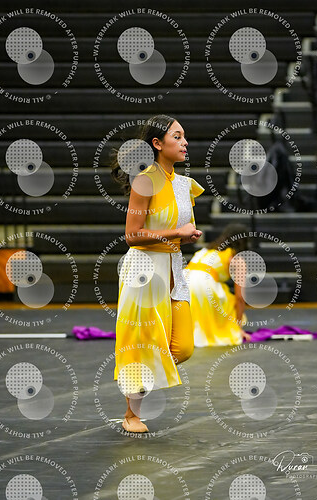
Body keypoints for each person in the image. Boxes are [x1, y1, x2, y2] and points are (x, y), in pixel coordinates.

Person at [111, 114, 204, 433]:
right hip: (145, 270)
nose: (185, 142)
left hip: (173, 267)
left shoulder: (184, 184)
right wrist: (177, 232)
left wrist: (184, 236)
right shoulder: (145, 180)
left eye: (184, 136)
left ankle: (142, 381)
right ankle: (131, 414)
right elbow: (132, 235)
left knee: (183, 347)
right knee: (142, 342)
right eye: (177, 137)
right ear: (157, 143)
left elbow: (177, 229)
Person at [187, 224, 251, 346]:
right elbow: (240, 297)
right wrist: (237, 328)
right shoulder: (235, 258)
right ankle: (221, 331)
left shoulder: (204, 251)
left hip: (184, 283)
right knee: (230, 300)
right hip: (203, 285)